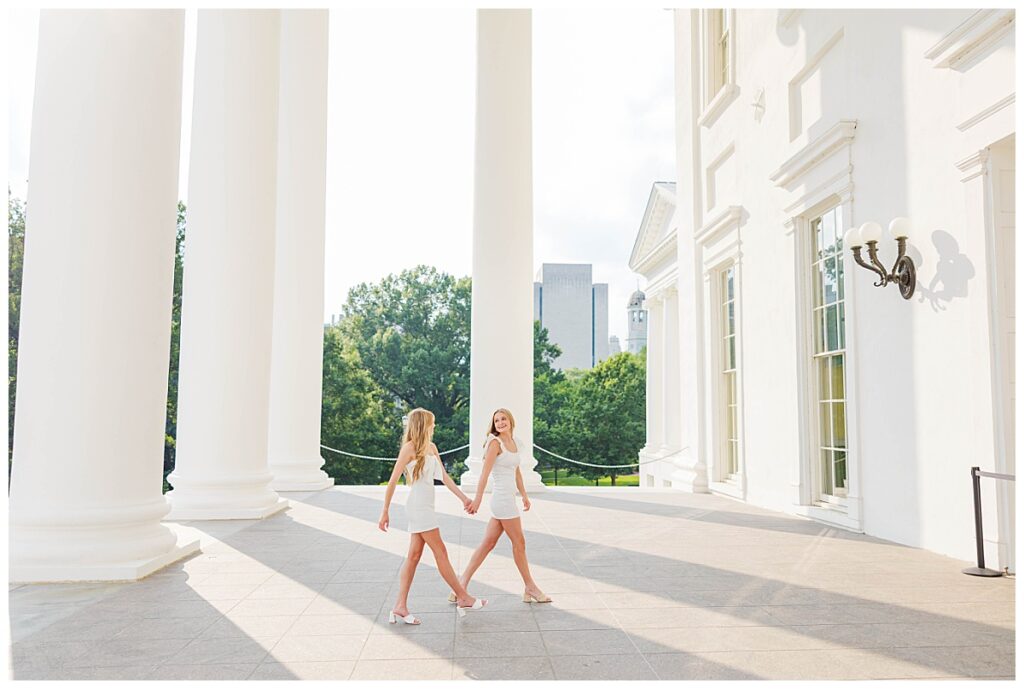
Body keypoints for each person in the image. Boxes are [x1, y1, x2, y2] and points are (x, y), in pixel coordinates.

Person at [379, 408, 487, 623]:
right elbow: (392, 480)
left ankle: (400, 606)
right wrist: (385, 511)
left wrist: (464, 499)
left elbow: (444, 478)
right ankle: (463, 597)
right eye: (432, 422)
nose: (434, 426)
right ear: (423, 424)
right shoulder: (409, 448)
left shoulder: (432, 447)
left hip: (426, 505)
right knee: (441, 552)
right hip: (418, 506)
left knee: (414, 556)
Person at [451, 408, 551, 604]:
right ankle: (530, 587)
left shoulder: (515, 442)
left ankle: (460, 586)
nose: (500, 423)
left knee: (487, 544)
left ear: (510, 420)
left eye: (503, 419)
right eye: (497, 420)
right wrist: (477, 500)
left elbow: (517, 472)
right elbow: (484, 474)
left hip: (508, 499)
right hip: (502, 501)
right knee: (519, 543)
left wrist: (524, 495)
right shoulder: (494, 444)